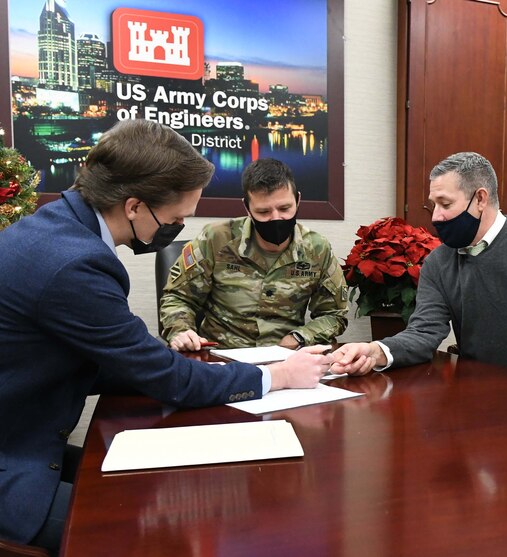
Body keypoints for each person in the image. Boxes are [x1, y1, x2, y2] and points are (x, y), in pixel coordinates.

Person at [0, 120, 333, 551]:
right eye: (175, 218)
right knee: (159, 529)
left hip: (23, 434)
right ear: (135, 206)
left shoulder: (54, 227)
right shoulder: (75, 264)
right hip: (15, 460)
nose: (177, 226)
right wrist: (278, 377)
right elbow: (165, 376)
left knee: (159, 487)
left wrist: (166, 367)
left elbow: (113, 360)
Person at [331, 151, 507, 376]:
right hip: (477, 394)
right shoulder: (438, 261)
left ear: (480, 199)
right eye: (434, 205)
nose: (436, 216)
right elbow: (424, 332)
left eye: (446, 204)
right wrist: (375, 351)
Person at [159, 158, 348, 351]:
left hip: (287, 358)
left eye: (284, 208)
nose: (276, 218)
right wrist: (181, 331)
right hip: (222, 357)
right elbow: (178, 297)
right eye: (263, 211)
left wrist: (300, 337)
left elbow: (334, 314)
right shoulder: (215, 239)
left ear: (298, 200)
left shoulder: (317, 248)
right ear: (247, 208)